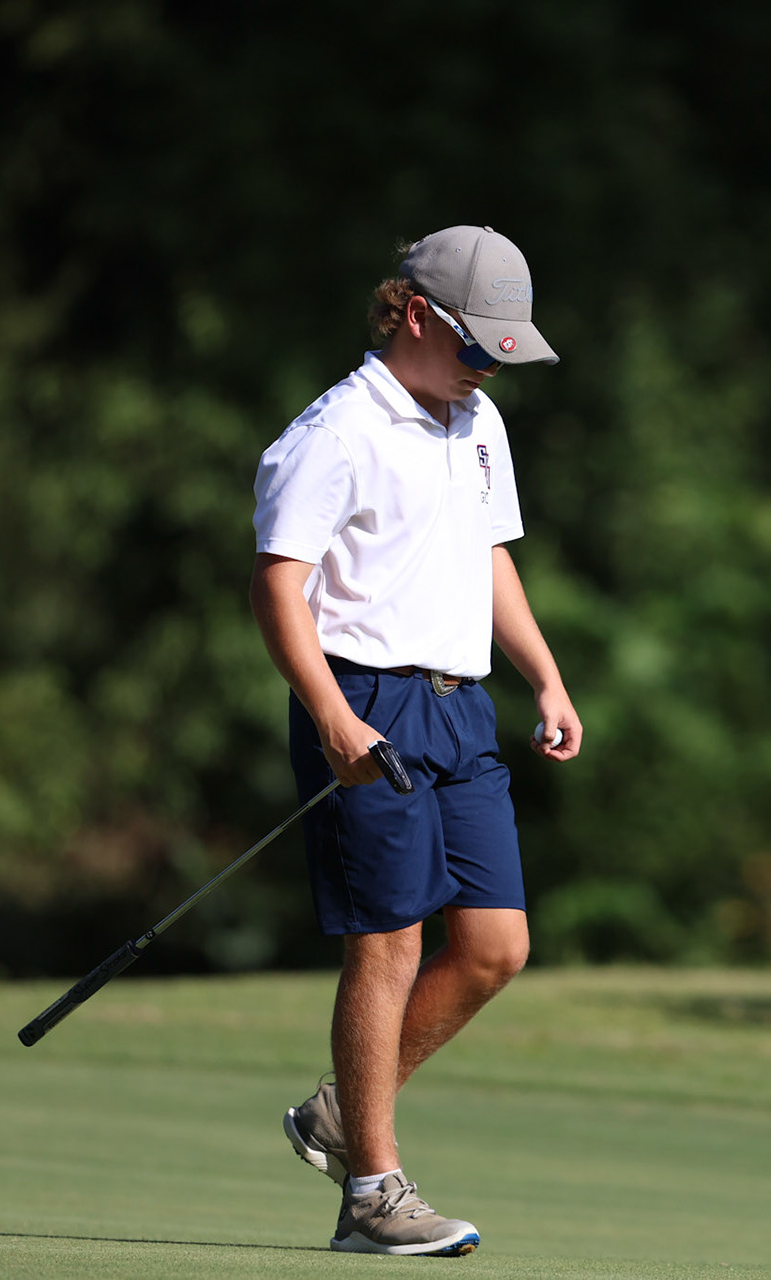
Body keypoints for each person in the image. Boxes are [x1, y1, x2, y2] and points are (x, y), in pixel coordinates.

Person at [249, 225, 583, 1255]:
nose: (491, 366)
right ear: (417, 316)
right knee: (387, 939)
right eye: (479, 344)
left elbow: (488, 557)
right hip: (364, 698)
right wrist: (331, 715)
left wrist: (546, 672)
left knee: (494, 946)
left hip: (460, 704)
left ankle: (345, 1110)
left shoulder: (477, 421)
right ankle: (372, 1196)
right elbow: (278, 584)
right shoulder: (335, 431)